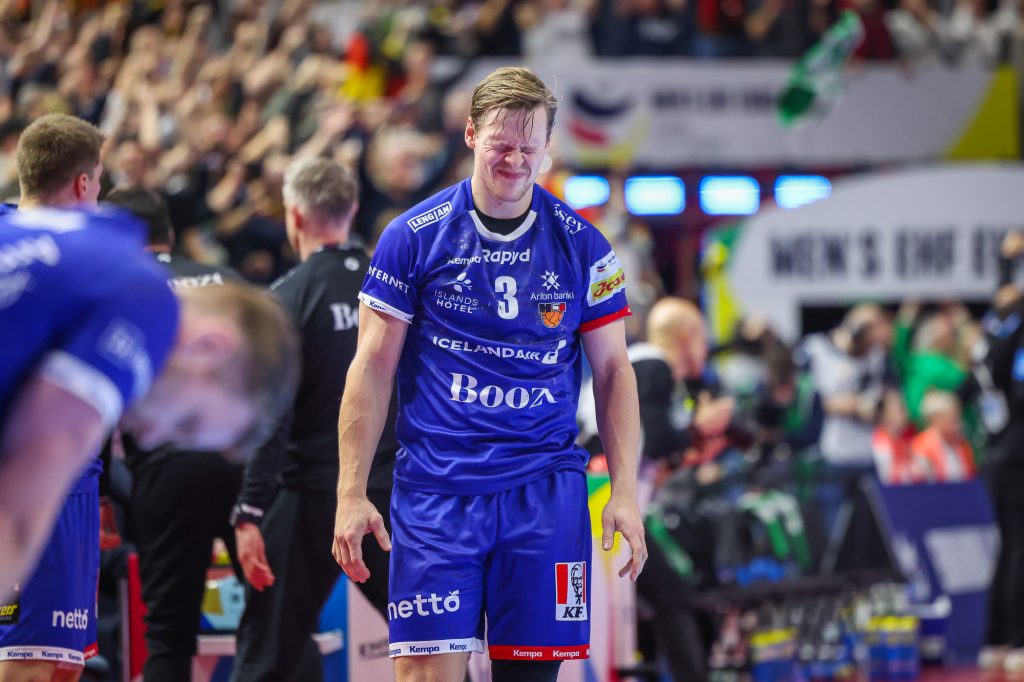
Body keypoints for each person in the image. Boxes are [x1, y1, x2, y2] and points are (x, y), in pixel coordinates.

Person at [331, 66, 647, 682]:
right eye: (502, 144)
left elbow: (614, 370)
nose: (516, 160)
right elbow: (370, 366)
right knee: (426, 675)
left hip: (544, 495)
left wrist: (626, 493)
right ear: (471, 134)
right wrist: (350, 493)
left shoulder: (585, 247)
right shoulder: (411, 237)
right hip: (437, 494)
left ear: (549, 145)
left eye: (530, 146)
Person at [0, 202, 299, 679]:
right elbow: (15, 515)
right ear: (209, 346)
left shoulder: (102, 244)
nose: (155, 436)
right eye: (187, 423)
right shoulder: (145, 308)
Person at [230, 158, 398, 681]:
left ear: (295, 216)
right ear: (352, 208)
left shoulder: (286, 297)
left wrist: (250, 509)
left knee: (265, 658)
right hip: (390, 495)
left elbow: (272, 416)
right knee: (434, 645)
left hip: (309, 495)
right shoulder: (395, 287)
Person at [103, 187, 245, 682]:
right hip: (243, 466)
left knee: (169, 637)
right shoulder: (229, 283)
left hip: (166, 471)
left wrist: (103, 487)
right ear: (168, 232)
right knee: (275, 621)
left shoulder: (119, 289)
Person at [0, 112, 115, 681]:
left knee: (61, 664)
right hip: (36, 484)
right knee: (29, 662)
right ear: (83, 183)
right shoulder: (82, 259)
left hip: (71, 485)